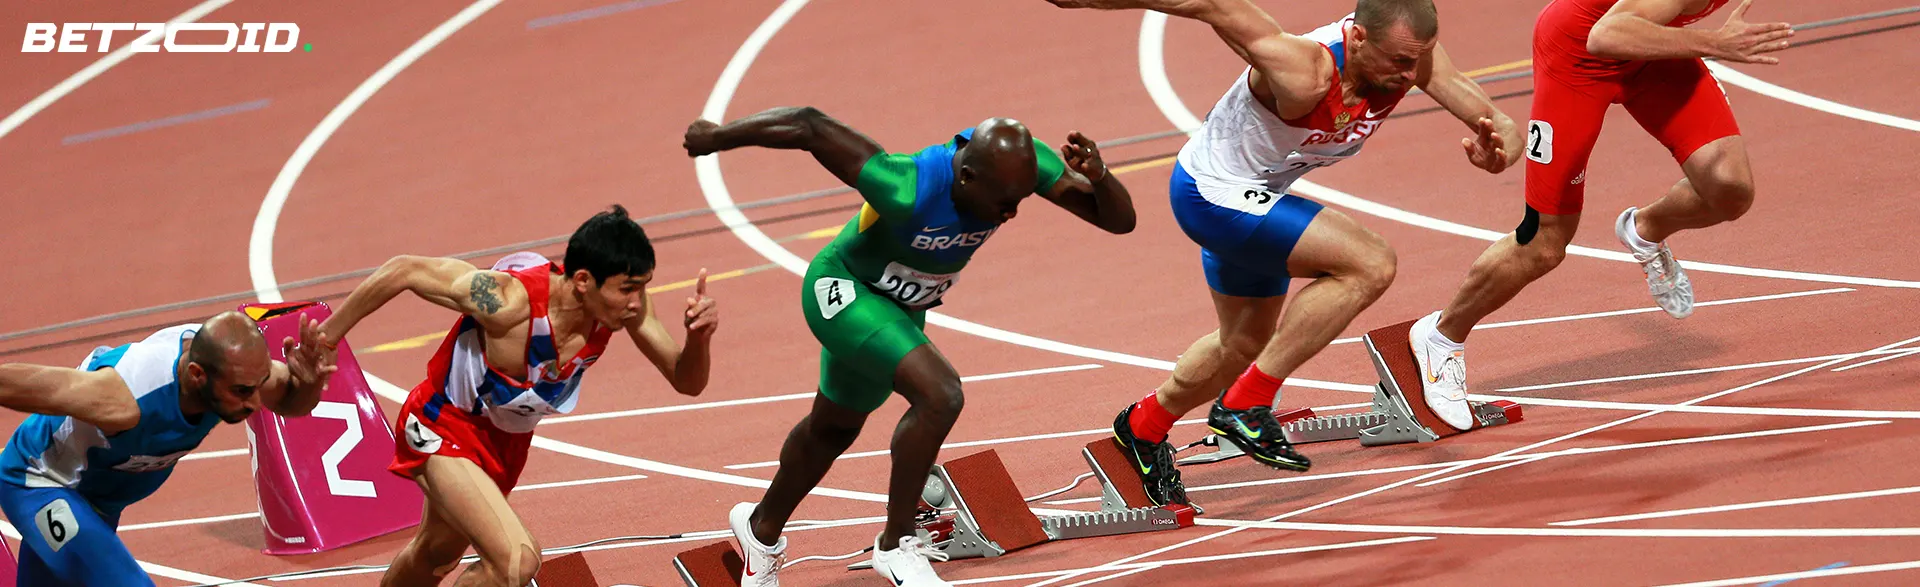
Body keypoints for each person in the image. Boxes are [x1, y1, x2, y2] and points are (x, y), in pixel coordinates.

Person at [1044, 0, 1525, 504]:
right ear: (1358, 38)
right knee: (1370, 263)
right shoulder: (1306, 69)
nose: (1410, 74)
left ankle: (1142, 427)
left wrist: (1499, 153)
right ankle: (1248, 403)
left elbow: (1499, 123)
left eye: (1417, 60)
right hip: (1211, 194)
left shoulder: (1413, 57)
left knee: (1242, 344)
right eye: (1399, 62)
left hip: (1258, 199)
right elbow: (1211, 5)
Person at [682, 107, 1136, 587]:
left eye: (1020, 200)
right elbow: (809, 126)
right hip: (845, 290)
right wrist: (717, 137)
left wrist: (1100, 177)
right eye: (1003, 202)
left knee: (833, 429)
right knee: (941, 393)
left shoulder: (1022, 164)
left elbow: (1119, 221)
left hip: (900, 307)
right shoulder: (906, 183)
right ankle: (897, 544)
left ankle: (760, 530)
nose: (1010, 214)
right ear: (966, 175)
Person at [1410, 0, 1791, 421]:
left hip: (1647, 54)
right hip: (1578, 55)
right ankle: (1441, 338)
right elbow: (1605, 35)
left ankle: (1644, 229)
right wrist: (1714, 42)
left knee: (1730, 190)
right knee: (1544, 242)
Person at [315, 205, 719, 587]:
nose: (637, 301)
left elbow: (687, 381)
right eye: (627, 289)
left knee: (436, 553)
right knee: (515, 561)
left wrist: (698, 338)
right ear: (582, 281)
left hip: (505, 444)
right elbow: (403, 270)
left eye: (642, 288)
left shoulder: (626, 309)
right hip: (442, 425)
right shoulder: (507, 300)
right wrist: (327, 338)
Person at [0, 311, 336, 585]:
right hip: (38, 483)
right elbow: (26, 384)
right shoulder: (123, 397)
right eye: (244, 391)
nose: (254, 403)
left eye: (258, 387)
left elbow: (294, 402)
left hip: (95, 499)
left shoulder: (236, 373)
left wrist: (308, 383)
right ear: (197, 375)